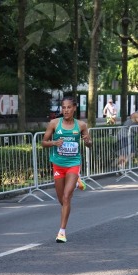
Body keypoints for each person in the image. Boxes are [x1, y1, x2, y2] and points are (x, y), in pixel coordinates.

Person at [41, 97, 92, 243]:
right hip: (58, 165)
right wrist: (53, 143)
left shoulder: (81, 125)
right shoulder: (54, 124)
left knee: (66, 197)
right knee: (61, 200)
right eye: (63, 107)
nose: (66, 110)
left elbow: (89, 143)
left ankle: (61, 232)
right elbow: (43, 142)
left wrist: (88, 142)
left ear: (74, 108)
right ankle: (77, 183)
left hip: (73, 164)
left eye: (69, 107)